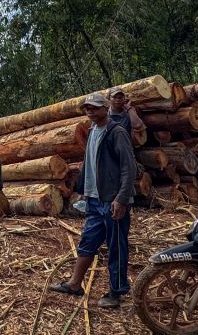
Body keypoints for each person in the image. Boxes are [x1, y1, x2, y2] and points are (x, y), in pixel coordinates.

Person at [50, 93, 136, 308]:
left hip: (112, 200)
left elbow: (129, 167)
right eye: (87, 107)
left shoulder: (116, 132)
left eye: (95, 107)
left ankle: (116, 293)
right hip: (94, 200)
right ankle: (74, 284)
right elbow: (90, 163)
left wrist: (122, 198)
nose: (90, 111)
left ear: (105, 108)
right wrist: (81, 189)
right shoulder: (91, 131)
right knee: (87, 242)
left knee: (116, 246)